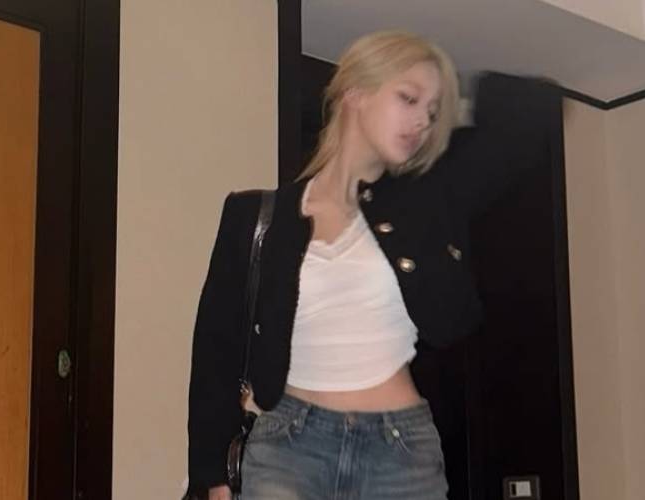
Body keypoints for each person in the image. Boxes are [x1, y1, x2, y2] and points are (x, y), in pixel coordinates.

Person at [187, 30, 530, 499]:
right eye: (408, 98)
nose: (422, 121)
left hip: (399, 453)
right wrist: (213, 479)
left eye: (432, 112)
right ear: (355, 91)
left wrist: (468, 98)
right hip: (288, 451)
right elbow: (215, 352)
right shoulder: (255, 216)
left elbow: (529, 117)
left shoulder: (427, 204)